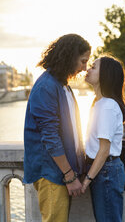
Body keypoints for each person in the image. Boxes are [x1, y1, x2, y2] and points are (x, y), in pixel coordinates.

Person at [23, 34, 91, 222]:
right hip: (52, 173)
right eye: (83, 61)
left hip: (60, 172)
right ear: (70, 57)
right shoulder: (46, 86)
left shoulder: (62, 85)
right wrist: (70, 176)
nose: (85, 68)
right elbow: (50, 137)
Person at [81, 55, 125, 222]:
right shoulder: (99, 103)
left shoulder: (107, 106)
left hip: (106, 171)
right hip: (104, 170)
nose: (88, 69)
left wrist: (87, 180)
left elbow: (104, 149)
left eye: (93, 67)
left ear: (105, 75)